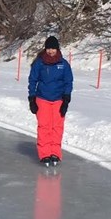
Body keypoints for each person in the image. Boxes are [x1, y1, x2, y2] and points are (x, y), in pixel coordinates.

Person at [27, 36, 73, 166]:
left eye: (53, 48)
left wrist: (66, 99)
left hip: (58, 99)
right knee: (44, 127)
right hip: (42, 99)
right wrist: (32, 98)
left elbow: (68, 82)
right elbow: (32, 81)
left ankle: (55, 153)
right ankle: (44, 153)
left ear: (57, 49)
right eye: (48, 48)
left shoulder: (63, 64)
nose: (50, 51)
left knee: (57, 127)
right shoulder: (39, 63)